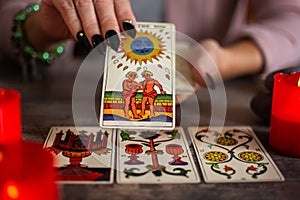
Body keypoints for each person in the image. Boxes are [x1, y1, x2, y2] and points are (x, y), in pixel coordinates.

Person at [1, 0, 300, 86]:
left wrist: (226, 59)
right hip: (66, 92)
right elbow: (10, 13)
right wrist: (42, 26)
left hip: (204, 101)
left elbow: (292, 18)